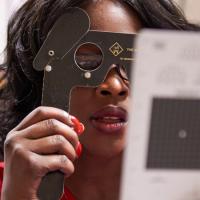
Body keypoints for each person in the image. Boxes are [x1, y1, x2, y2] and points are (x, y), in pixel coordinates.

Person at [0, 0, 199, 199]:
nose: (114, 87)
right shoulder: (12, 185)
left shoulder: (188, 187)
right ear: (40, 77)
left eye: (136, 62)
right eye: (86, 62)